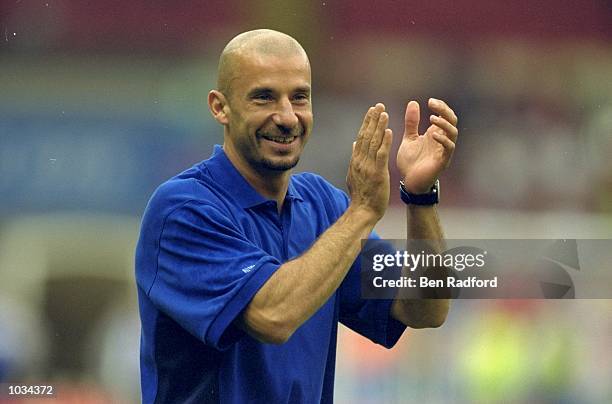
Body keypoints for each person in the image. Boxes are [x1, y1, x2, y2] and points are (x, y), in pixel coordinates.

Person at [135, 29, 458, 403]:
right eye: (264, 97)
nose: (287, 117)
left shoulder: (324, 205)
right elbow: (274, 316)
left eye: (299, 97)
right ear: (220, 107)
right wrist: (363, 211)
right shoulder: (183, 210)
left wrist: (420, 198)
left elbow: (425, 307)